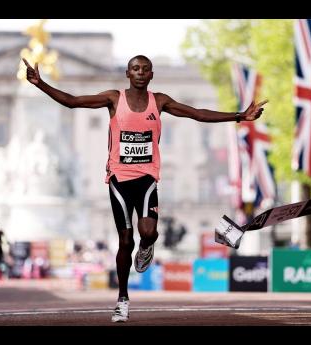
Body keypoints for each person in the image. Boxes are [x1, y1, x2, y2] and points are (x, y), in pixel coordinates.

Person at [22, 55, 267, 322]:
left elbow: (196, 114)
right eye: (135, 69)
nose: (140, 73)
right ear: (128, 73)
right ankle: (123, 299)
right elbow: (73, 101)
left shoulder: (159, 101)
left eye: (145, 69)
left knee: (148, 231)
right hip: (119, 178)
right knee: (125, 240)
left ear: (151, 75)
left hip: (147, 177)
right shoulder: (113, 99)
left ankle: (147, 246)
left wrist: (240, 116)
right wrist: (40, 84)